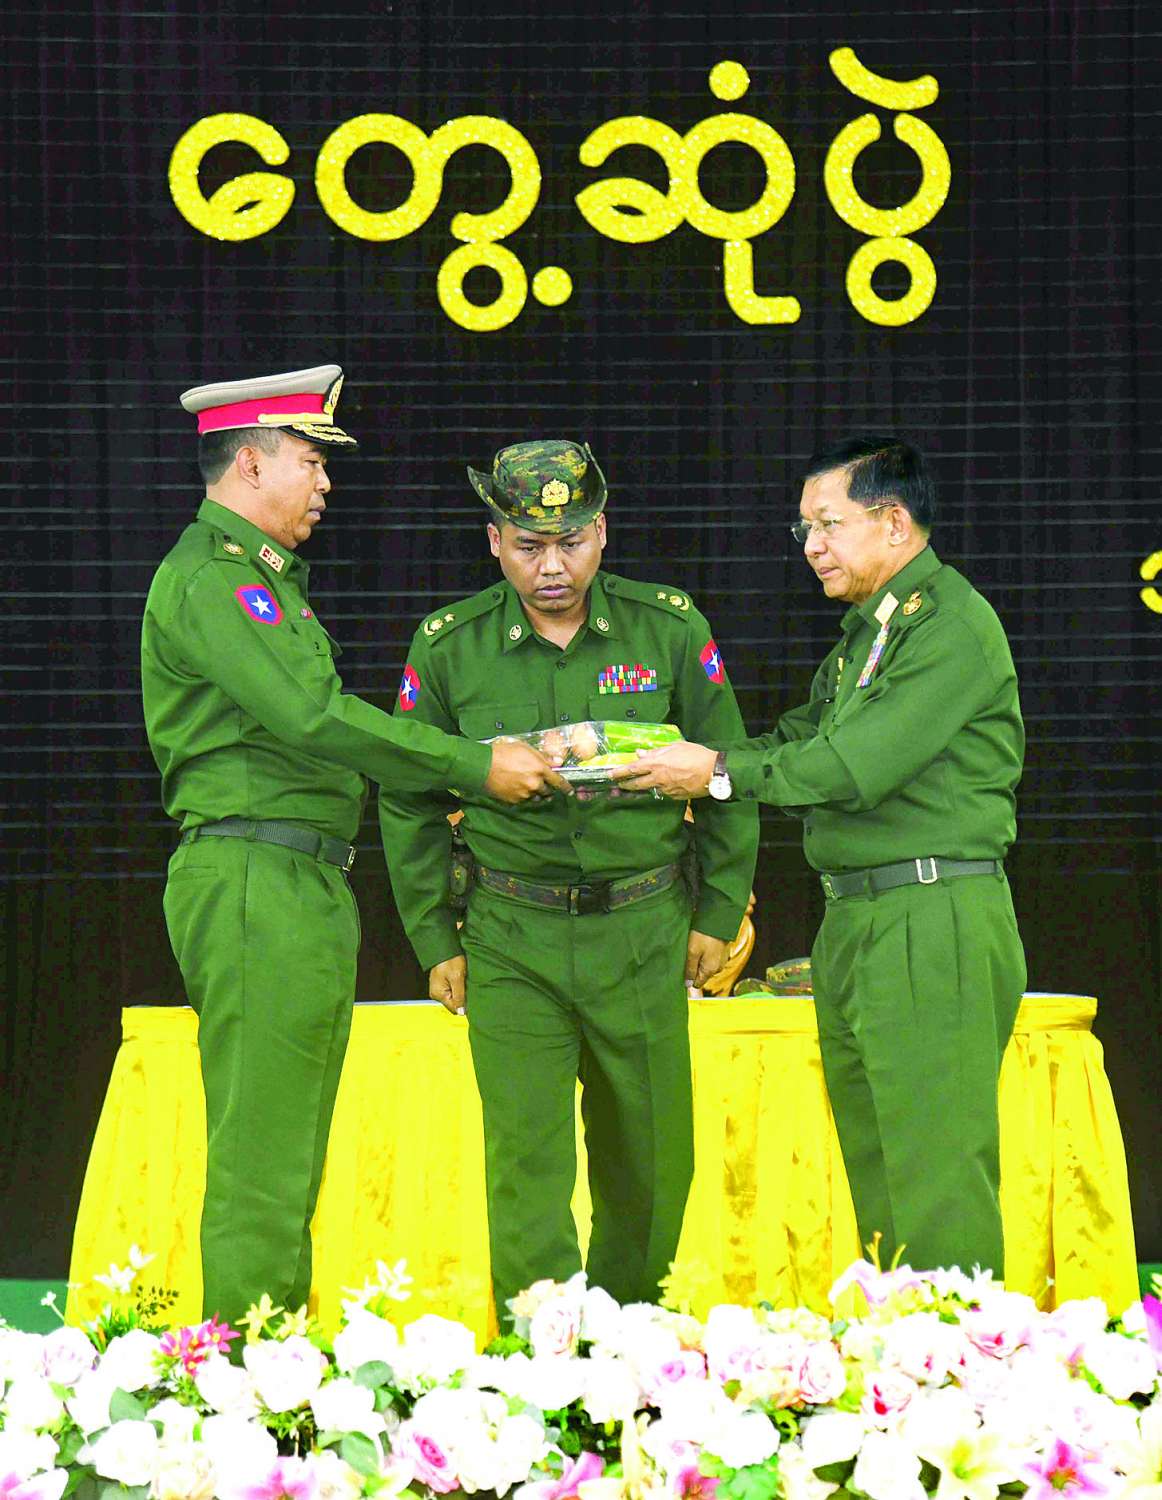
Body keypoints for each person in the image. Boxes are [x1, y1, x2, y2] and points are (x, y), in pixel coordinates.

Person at [140, 366, 567, 1327]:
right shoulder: (216, 580)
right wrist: (474, 765)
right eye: (311, 459)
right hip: (255, 877)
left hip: (294, 878)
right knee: (263, 1155)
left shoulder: (260, 581)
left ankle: (269, 1357)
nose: (326, 481)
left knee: (288, 1148)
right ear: (251, 465)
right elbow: (314, 717)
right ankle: (239, 1375)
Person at [614, 435, 1027, 1278]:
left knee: (935, 1180)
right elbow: (799, 739)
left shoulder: (948, 626)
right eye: (804, 528)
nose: (811, 546)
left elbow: (848, 767)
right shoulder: (867, 636)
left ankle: (965, 1357)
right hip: (861, 919)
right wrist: (676, 756)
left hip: (930, 916)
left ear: (894, 522)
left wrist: (713, 771)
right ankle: (902, 1349)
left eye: (828, 525)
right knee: (879, 1172)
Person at [379, 438, 759, 1316]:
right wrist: (434, 937)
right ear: (493, 542)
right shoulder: (448, 647)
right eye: (528, 545)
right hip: (512, 935)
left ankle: (631, 1342)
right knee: (526, 1163)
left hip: (646, 927)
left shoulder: (669, 629)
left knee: (652, 1157)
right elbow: (406, 799)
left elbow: (725, 771)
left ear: (603, 533)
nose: (552, 567)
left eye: (572, 542)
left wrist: (716, 911)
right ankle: (541, 1358)